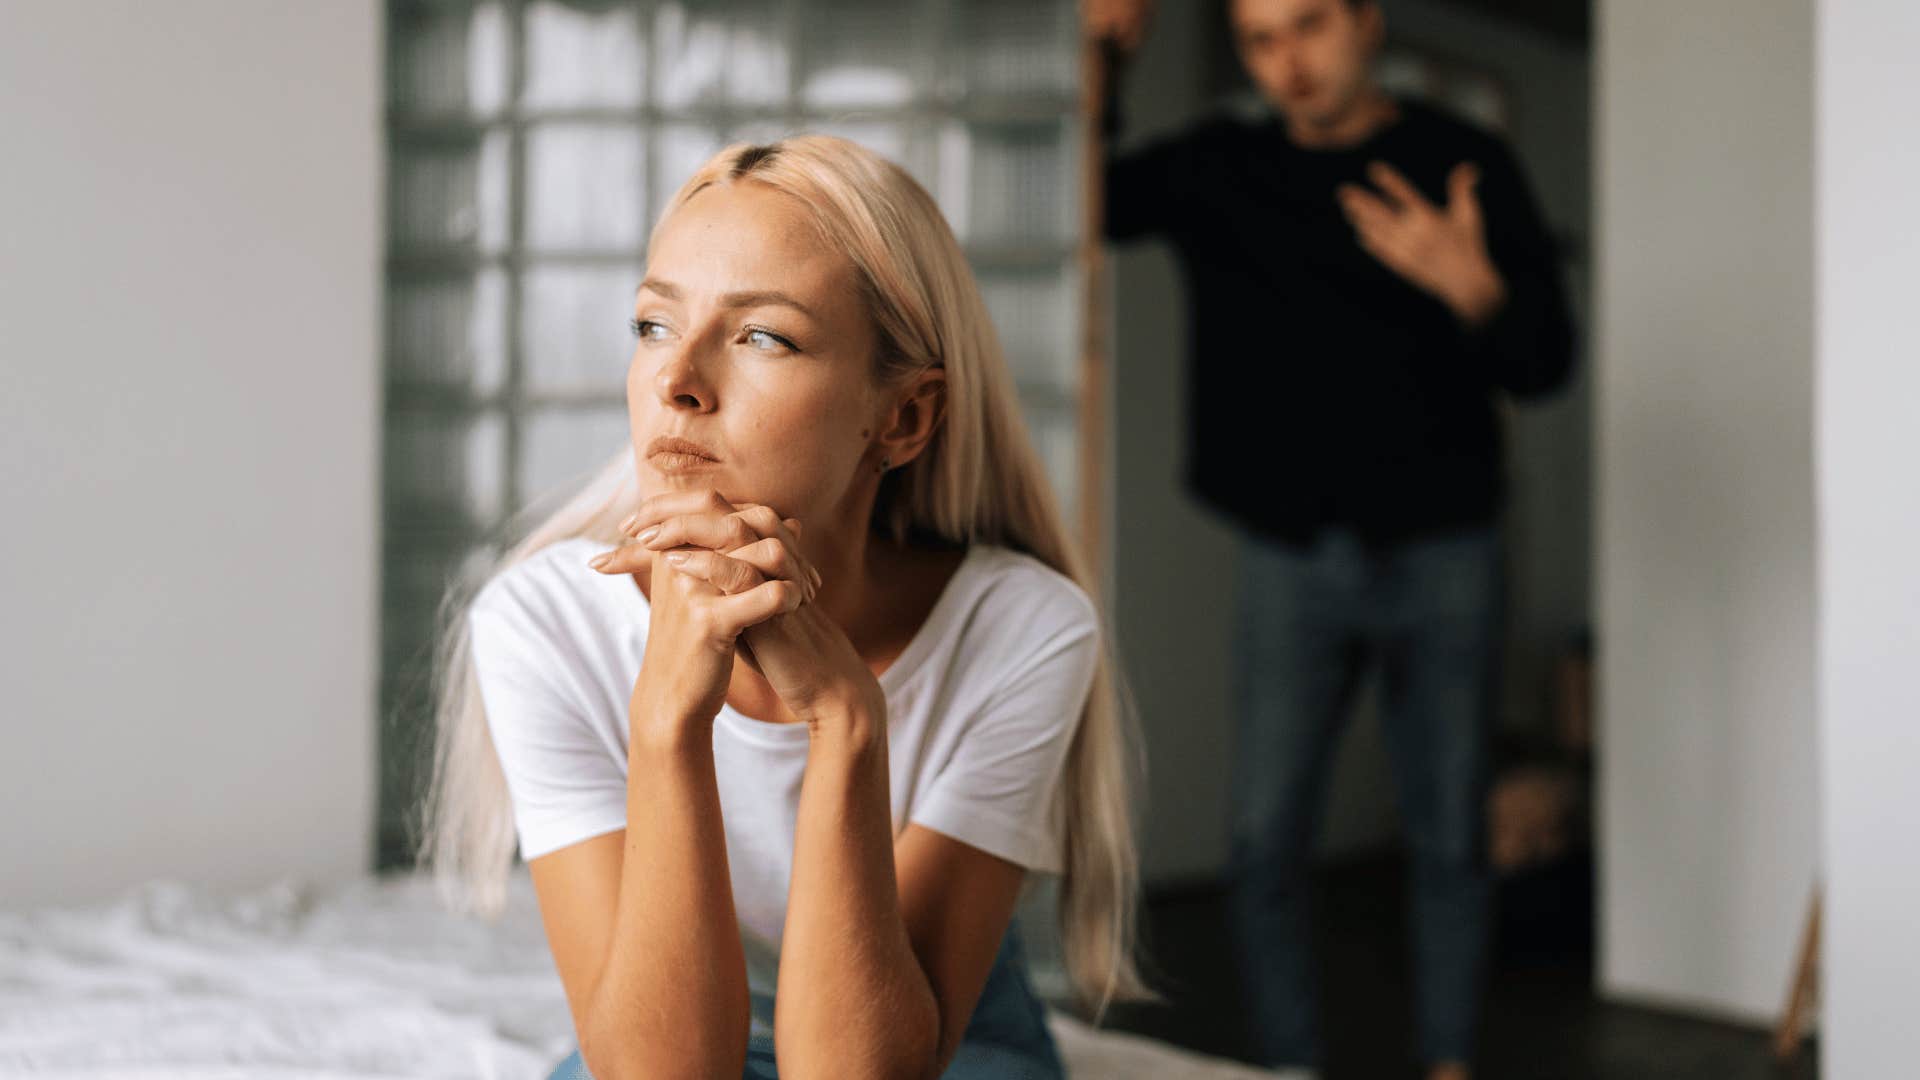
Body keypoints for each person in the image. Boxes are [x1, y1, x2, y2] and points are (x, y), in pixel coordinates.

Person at [414, 135, 1155, 1079]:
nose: (676, 379)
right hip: (672, 1026)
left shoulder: (1021, 630)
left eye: (763, 336)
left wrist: (846, 722)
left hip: (918, 1035)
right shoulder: (543, 623)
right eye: (652, 325)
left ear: (902, 418)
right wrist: (666, 721)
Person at [1085, 0, 1578, 1078]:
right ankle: (1289, 1070)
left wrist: (1476, 288)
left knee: (1450, 838)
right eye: (1260, 38)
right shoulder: (1223, 165)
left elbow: (1549, 363)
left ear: (1365, 21)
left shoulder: (1464, 161)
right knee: (1263, 844)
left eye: (1307, 25)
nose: (1287, 61)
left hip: (1449, 550)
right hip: (1289, 555)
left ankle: (1448, 1065)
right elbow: (1095, 202)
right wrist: (1108, 62)